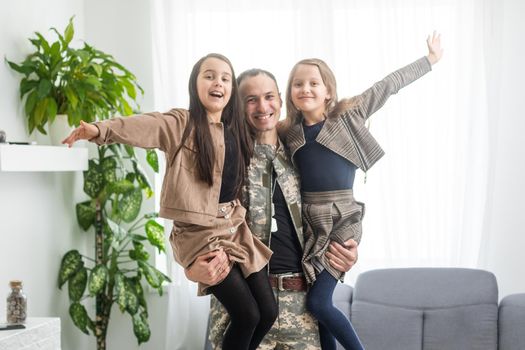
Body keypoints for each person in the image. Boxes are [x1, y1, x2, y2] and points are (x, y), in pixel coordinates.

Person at [62, 53, 278, 350]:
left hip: (234, 226)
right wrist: (100, 130)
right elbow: (145, 126)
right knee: (247, 315)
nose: (218, 83)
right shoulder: (182, 123)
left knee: (268, 312)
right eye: (209, 76)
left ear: (231, 91)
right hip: (200, 234)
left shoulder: (236, 129)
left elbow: (272, 120)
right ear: (195, 84)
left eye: (225, 78)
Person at [280, 33, 444, 349]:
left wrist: (430, 60)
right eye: (298, 84)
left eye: (314, 83)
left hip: (342, 217)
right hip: (309, 224)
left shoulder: (349, 114)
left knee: (319, 303)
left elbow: (388, 85)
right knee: (317, 310)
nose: (306, 89)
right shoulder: (288, 132)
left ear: (328, 91)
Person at [185, 68, 359, 349]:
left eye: (268, 97)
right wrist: (192, 269)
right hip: (244, 308)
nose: (262, 107)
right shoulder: (222, 156)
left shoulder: (302, 150)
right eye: (251, 99)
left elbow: (334, 205)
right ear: (237, 106)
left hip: (302, 309)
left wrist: (346, 249)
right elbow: (187, 222)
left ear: (280, 100)